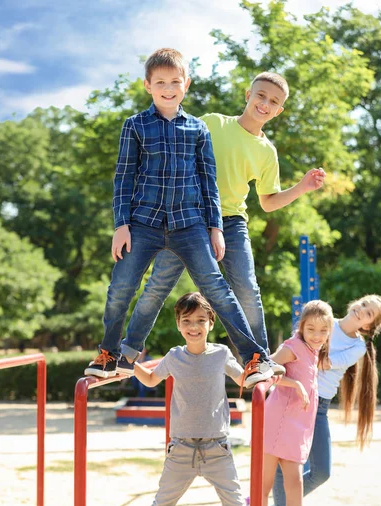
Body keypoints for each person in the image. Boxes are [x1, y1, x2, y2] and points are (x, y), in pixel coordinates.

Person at [84, 48, 280, 388]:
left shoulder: (198, 129)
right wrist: (121, 225)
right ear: (148, 85)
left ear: (186, 85)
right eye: (160, 82)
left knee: (218, 288)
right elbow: (124, 178)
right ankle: (108, 353)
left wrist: (216, 227)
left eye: (175, 81)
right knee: (121, 288)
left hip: (189, 226)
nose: (168, 88)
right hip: (144, 224)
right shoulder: (135, 126)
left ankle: (255, 357)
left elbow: (208, 183)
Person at [121, 71, 326, 374]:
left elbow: (268, 202)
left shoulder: (267, 151)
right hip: (186, 217)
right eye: (260, 95)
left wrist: (302, 187)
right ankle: (126, 352)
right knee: (158, 284)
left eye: (273, 102)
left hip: (231, 222)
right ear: (248, 95)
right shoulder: (214, 123)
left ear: (279, 110)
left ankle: (258, 359)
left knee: (246, 288)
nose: (264, 104)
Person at [111, 292, 287, 506]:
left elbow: (244, 378)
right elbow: (152, 379)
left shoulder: (220, 354)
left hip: (216, 447)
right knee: (161, 505)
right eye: (187, 321)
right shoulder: (174, 356)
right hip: (181, 447)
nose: (194, 326)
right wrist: (126, 364)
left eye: (201, 320)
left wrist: (271, 370)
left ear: (211, 323)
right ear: (179, 325)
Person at [269, 294, 381, 506]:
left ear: (368, 326)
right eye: (364, 303)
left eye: (369, 313)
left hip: (319, 405)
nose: (362, 309)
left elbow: (322, 362)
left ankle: (280, 505)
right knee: (287, 461)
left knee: (322, 471)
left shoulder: (357, 347)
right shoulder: (324, 322)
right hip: (293, 398)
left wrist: (311, 341)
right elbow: (297, 346)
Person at [259, 300, 334, 506]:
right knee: (265, 484)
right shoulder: (293, 346)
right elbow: (268, 367)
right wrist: (295, 384)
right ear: (301, 326)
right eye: (311, 328)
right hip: (279, 419)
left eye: (323, 330)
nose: (316, 334)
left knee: (295, 484)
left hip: (297, 423)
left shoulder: (315, 351)